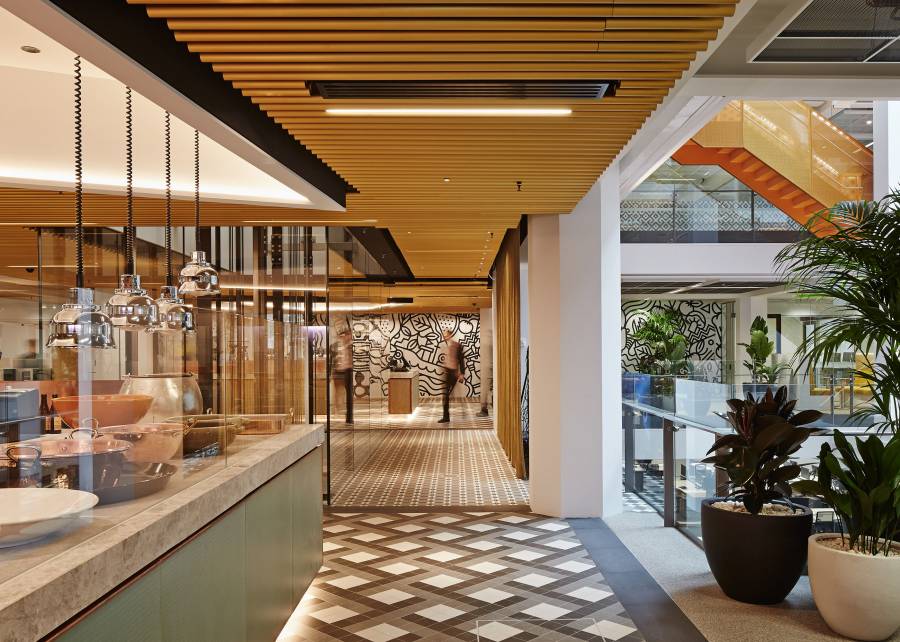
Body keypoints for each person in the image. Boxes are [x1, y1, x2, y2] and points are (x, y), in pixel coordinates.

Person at [438, 328, 465, 424]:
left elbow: (461, 360)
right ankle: (446, 416)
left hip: (454, 373)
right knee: (445, 395)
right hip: (447, 372)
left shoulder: (457, 345)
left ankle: (447, 416)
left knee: (447, 395)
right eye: (444, 335)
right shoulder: (445, 346)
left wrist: (462, 373)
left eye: (446, 335)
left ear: (450, 335)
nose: (444, 337)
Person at [332, 328, 353, 424]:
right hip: (338, 371)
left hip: (348, 371)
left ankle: (349, 417)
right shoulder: (335, 347)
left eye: (349, 335)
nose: (348, 337)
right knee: (337, 393)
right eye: (346, 335)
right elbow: (332, 360)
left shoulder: (352, 347)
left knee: (348, 394)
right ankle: (336, 410)